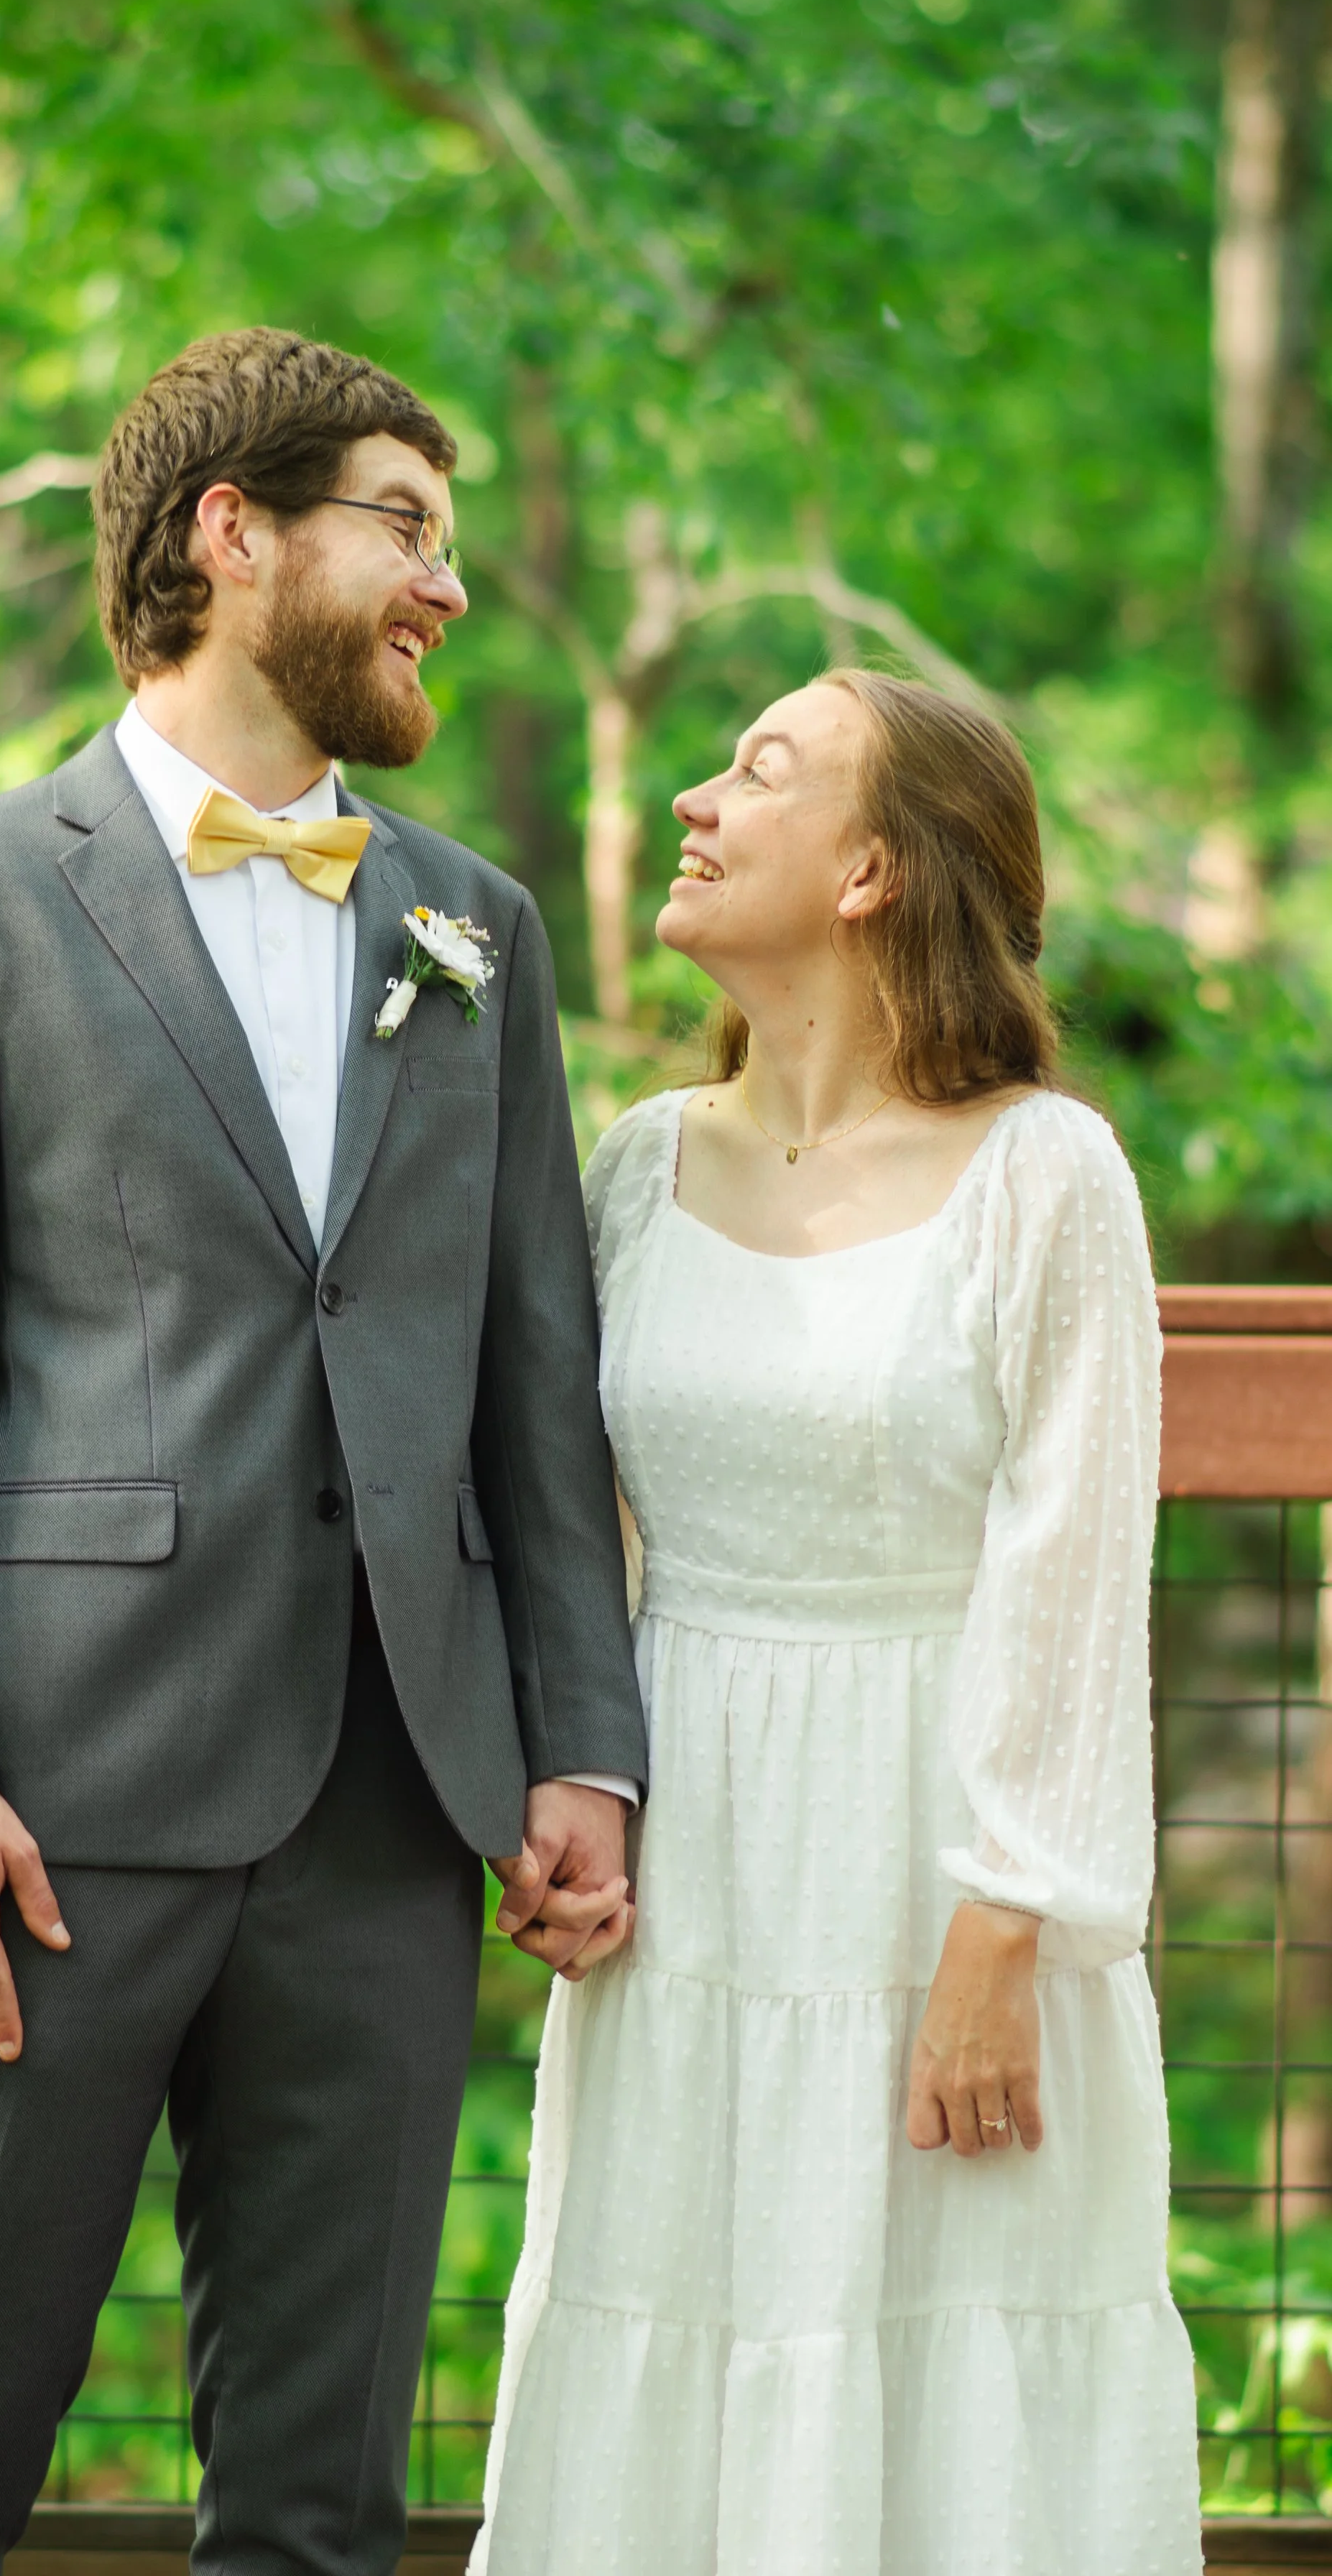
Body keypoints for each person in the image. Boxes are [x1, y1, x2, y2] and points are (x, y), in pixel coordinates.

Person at [0, 327, 647, 2576]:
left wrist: (586, 1746)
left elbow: (528, 1373)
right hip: (47, 1812)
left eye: (446, 542)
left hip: (393, 1797)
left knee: (319, 2496)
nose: (440, 585)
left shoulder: (477, 927)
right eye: (401, 526)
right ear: (230, 533)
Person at [473, 670, 1202, 2575]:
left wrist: (998, 1925)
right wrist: (567, 1783)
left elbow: (1069, 1569)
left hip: (944, 1880)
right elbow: (564, 1529)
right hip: (691, 1879)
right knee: (665, 2346)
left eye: (760, 771)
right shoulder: (635, 1163)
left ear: (873, 868)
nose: (700, 801)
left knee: (944, 2390)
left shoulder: (1044, 1175)